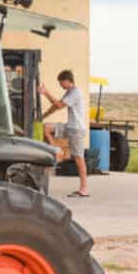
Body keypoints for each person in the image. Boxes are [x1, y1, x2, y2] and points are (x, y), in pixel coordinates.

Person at [39, 69, 89, 197]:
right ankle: (57, 151)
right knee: (46, 128)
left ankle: (84, 189)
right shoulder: (69, 92)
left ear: (67, 81)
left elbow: (58, 104)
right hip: (69, 127)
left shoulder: (75, 93)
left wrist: (45, 93)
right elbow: (55, 106)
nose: (60, 85)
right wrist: (43, 116)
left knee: (79, 158)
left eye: (61, 83)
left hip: (76, 129)